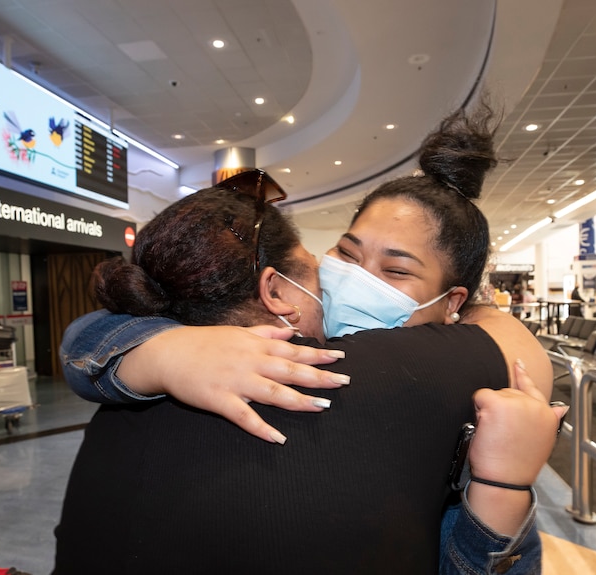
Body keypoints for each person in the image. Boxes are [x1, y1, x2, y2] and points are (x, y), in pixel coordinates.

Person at [54, 106, 564, 573]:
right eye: (346, 252)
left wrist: (154, 353)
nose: (350, 278)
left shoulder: (142, 385)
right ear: (275, 291)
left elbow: (85, 342)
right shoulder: (413, 377)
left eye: (395, 270)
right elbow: (515, 349)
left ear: (450, 301)